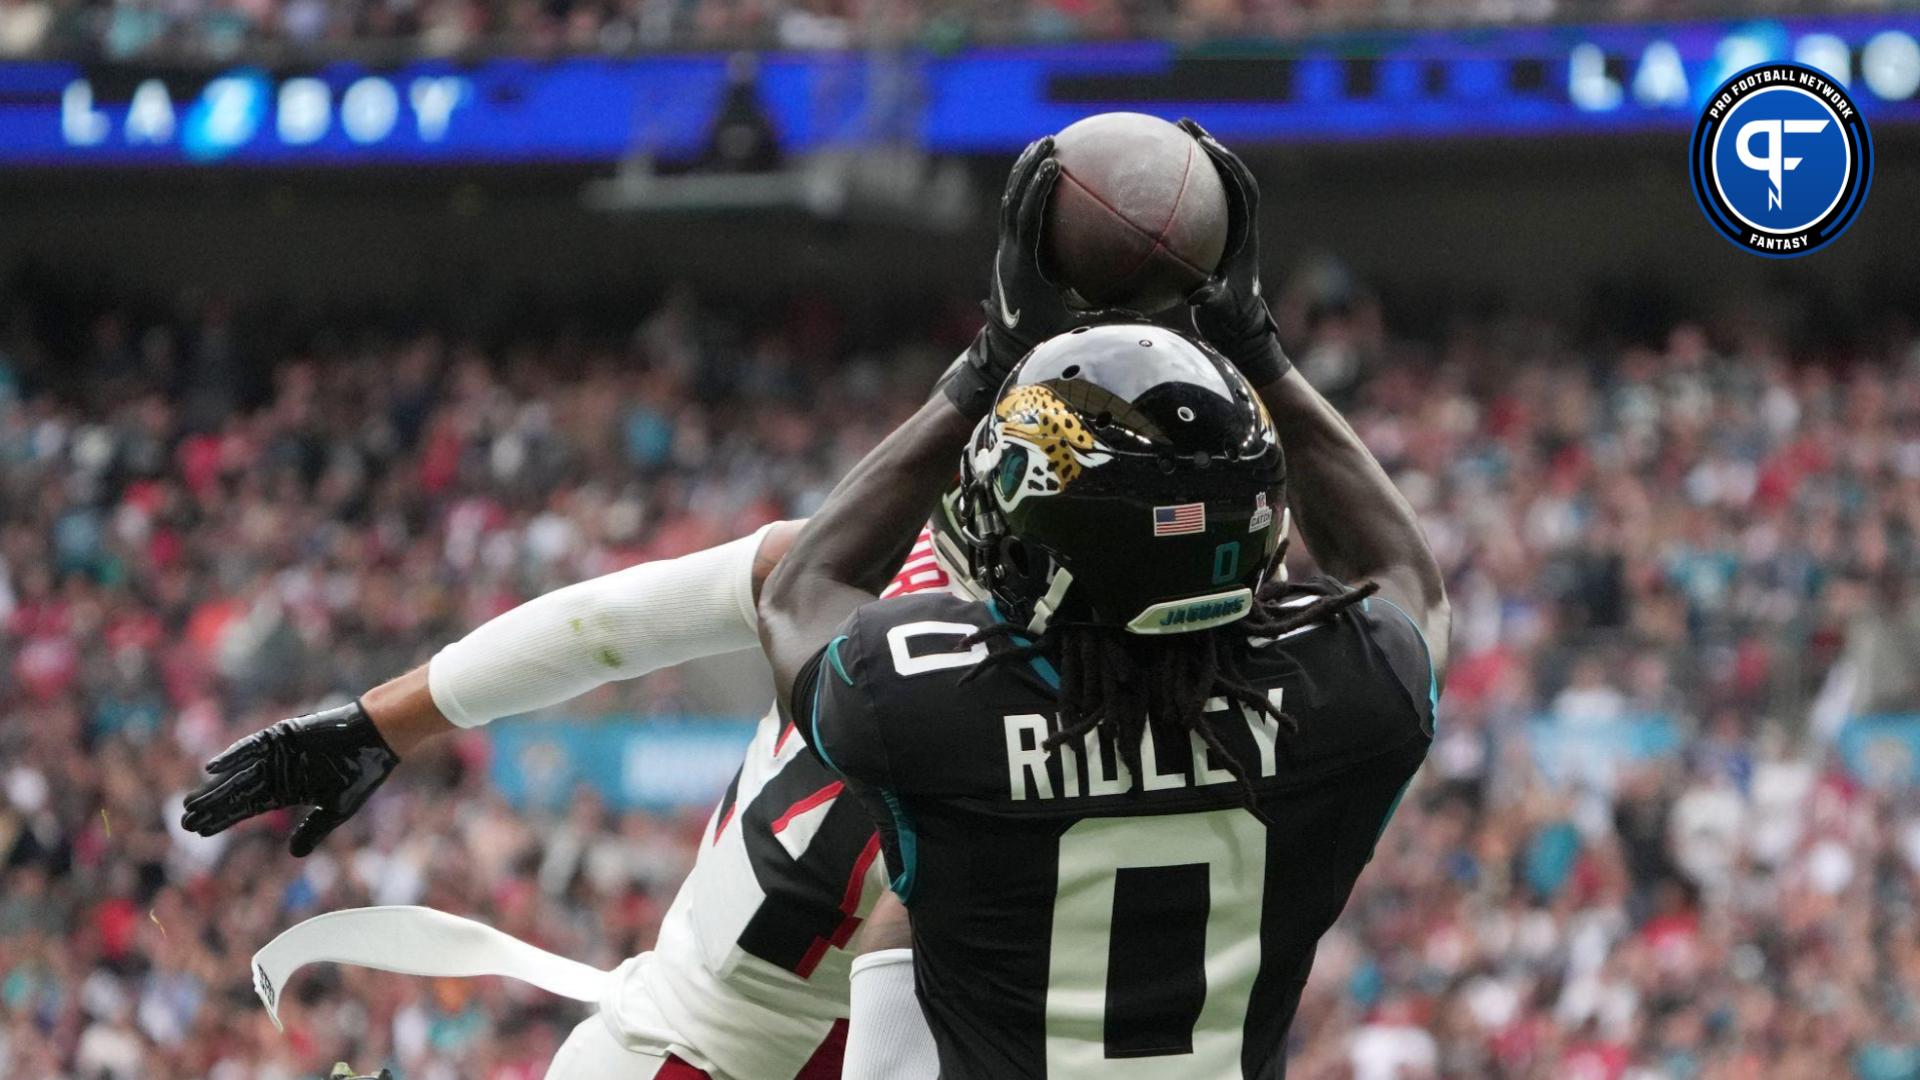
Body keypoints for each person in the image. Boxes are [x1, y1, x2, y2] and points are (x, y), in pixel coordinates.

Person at [175, 134, 1090, 1080]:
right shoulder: (1154, 708)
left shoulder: (862, 584)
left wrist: (385, 721)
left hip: (691, 1046)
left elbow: (621, 622)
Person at [757, 124, 1449, 1078]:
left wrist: (990, 357)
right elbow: (1408, 580)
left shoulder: (926, 708)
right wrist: (1258, 346)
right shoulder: (1355, 697)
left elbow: (801, 596)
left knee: (909, 899)